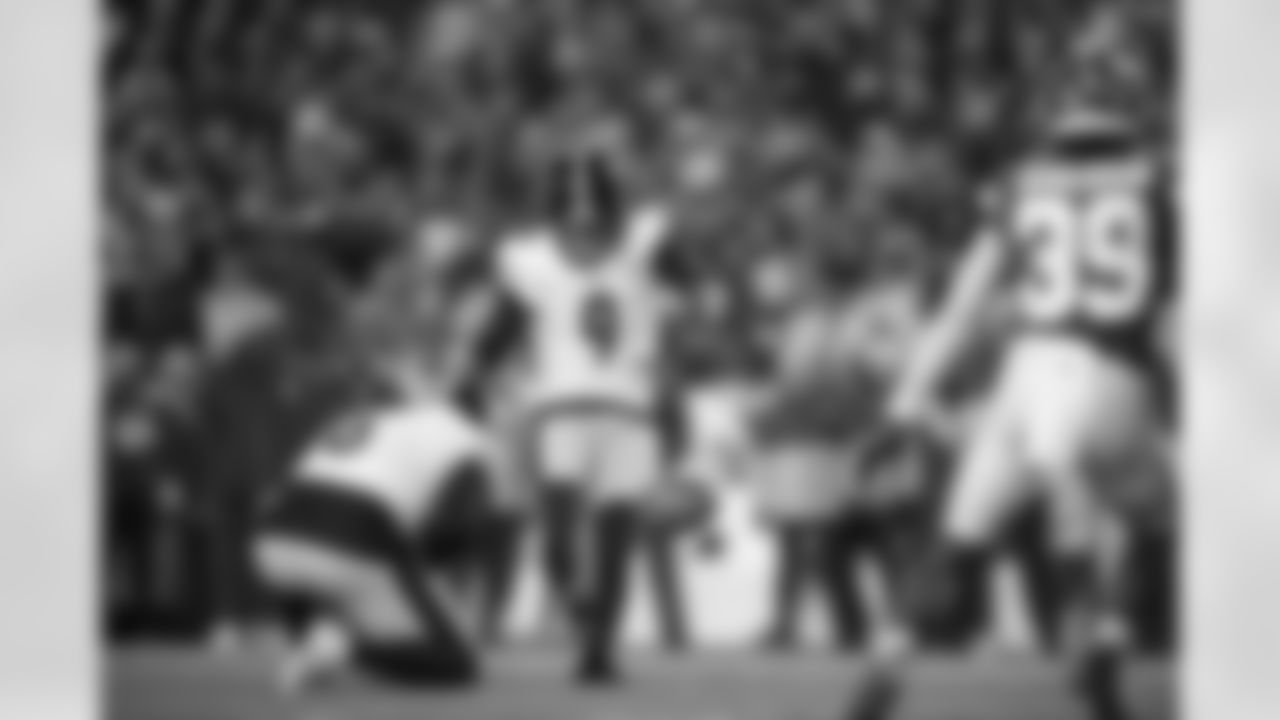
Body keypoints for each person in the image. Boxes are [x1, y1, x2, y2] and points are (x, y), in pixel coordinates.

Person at [843, 89, 1177, 720]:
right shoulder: (1155, 188)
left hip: (1028, 376)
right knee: (1161, 523)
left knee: (958, 543)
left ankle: (885, 667)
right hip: (1112, 374)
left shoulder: (1023, 187)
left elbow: (960, 309)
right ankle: (1107, 644)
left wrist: (904, 404)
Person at [481, 141, 701, 683]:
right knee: (557, 540)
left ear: (607, 198)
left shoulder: (642, 243)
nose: (582, 210)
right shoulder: (530, 259)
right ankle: (586, 618)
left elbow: (688, 281)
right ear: (556, 201)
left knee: (615, 538)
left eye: (591, 194)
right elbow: (503, 327)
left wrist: (655, 242)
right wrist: (472, 369)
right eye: (571, 195)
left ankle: (599, 648)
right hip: (561, 408)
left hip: (628, 410)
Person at [252, 348, 495, 692]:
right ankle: (341, 648)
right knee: (454, 664)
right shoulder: (466, 438)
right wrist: (426, 579)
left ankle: (310, 641)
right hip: (350, 534)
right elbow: (452, 532)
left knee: (333, 585)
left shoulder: (375, 419)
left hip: (274, 542)